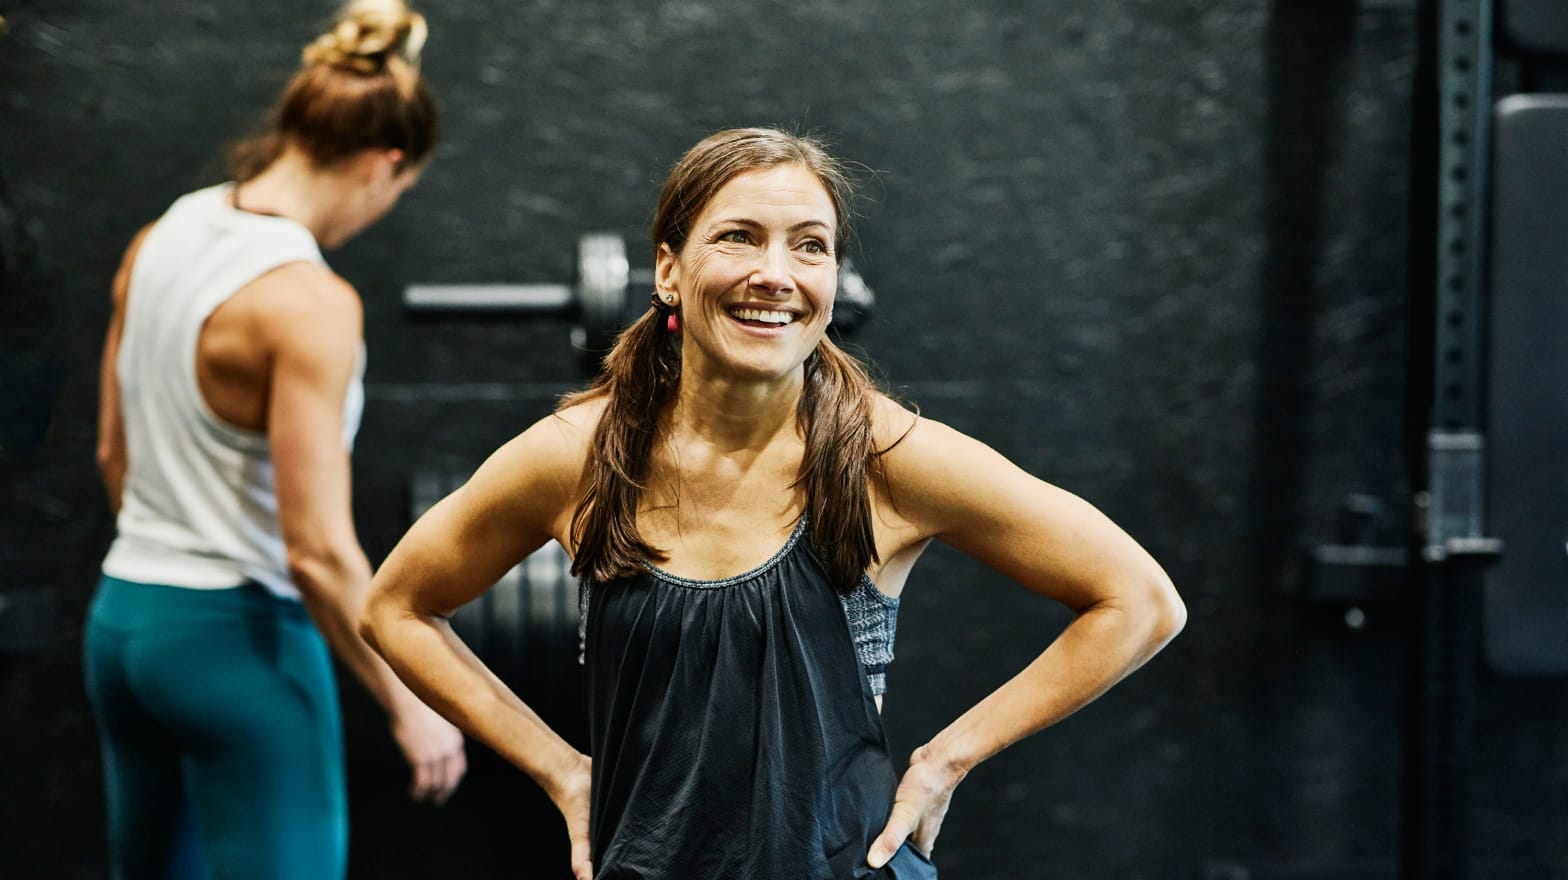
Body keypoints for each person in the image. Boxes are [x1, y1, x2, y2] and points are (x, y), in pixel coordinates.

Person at [361, 127, 1186, 880]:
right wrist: (564, 772)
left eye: (810, 247)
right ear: (668, 270)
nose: (776, 275)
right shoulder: (579, 456)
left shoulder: (884, 458)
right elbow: (396, 607)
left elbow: (1140, 601)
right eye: (738, 238)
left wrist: (949, 758)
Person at [86, 2, 464, 877]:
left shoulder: (163, 235)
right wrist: (410, 702)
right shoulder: (309, 302)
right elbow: (318, 552)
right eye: (397, 197)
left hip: (123, 627)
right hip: (239, 648)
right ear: (385, 165)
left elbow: (114, 457)